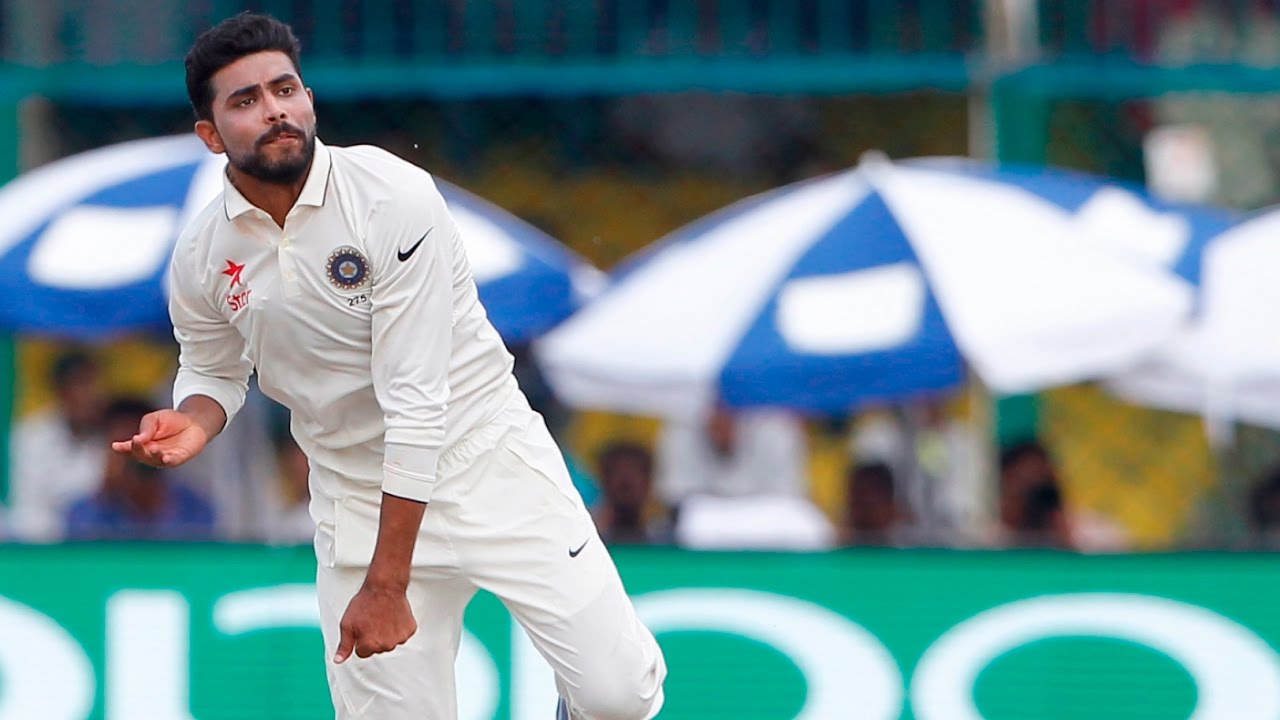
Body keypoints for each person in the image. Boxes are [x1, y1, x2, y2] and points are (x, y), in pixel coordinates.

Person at [113, 13, 664, 720]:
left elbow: (416, 401)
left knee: (618, 699)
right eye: (246, 100)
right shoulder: (201, 254)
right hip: (356, 492)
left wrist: (386, 583)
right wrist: (196, 419)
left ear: (309, 100)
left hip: (486, 459)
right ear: (211, 135)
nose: (275, 110)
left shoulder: (390, 196)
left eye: (285, 89)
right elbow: (213, 366)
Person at [66, 397, 215, 541]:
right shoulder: (85, 512)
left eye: (137, 450)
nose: (130, 461)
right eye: (120, 451)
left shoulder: (194, 508)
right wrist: (105, 499)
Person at [8, 349, 109, 542]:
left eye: (96, 384)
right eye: (83, 384)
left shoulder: (110, 437)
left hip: (98, 544)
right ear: (61, 390)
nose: (93, 394)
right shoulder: (31, 436)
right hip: (43, 546)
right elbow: (27, 509)